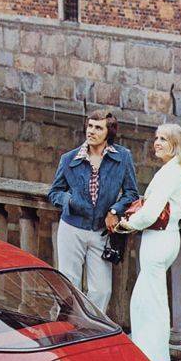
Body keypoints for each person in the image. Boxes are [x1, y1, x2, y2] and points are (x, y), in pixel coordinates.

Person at [118, 123, 181, 361]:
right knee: (147, 302)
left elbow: (150, 212)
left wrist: (127, 224)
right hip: (166, 239)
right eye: (156, 138)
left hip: (158, 241)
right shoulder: (176, 170)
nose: (157, 143)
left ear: (175, 145)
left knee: (149, 306)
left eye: (163, 139)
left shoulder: (169, 173)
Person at [48, 111, 139, 313]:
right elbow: (54, 192)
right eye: (90, 126)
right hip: (72, 229)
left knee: (101, 290)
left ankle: (91, 326)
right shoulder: (69, 159)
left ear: (109, 132)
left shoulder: (122, 157)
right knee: (68, 284)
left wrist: (114, 210)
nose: (91, 131)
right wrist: (70, 201)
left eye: (98, 128)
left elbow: (131, 193)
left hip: (101, 232)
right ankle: (68, 325)